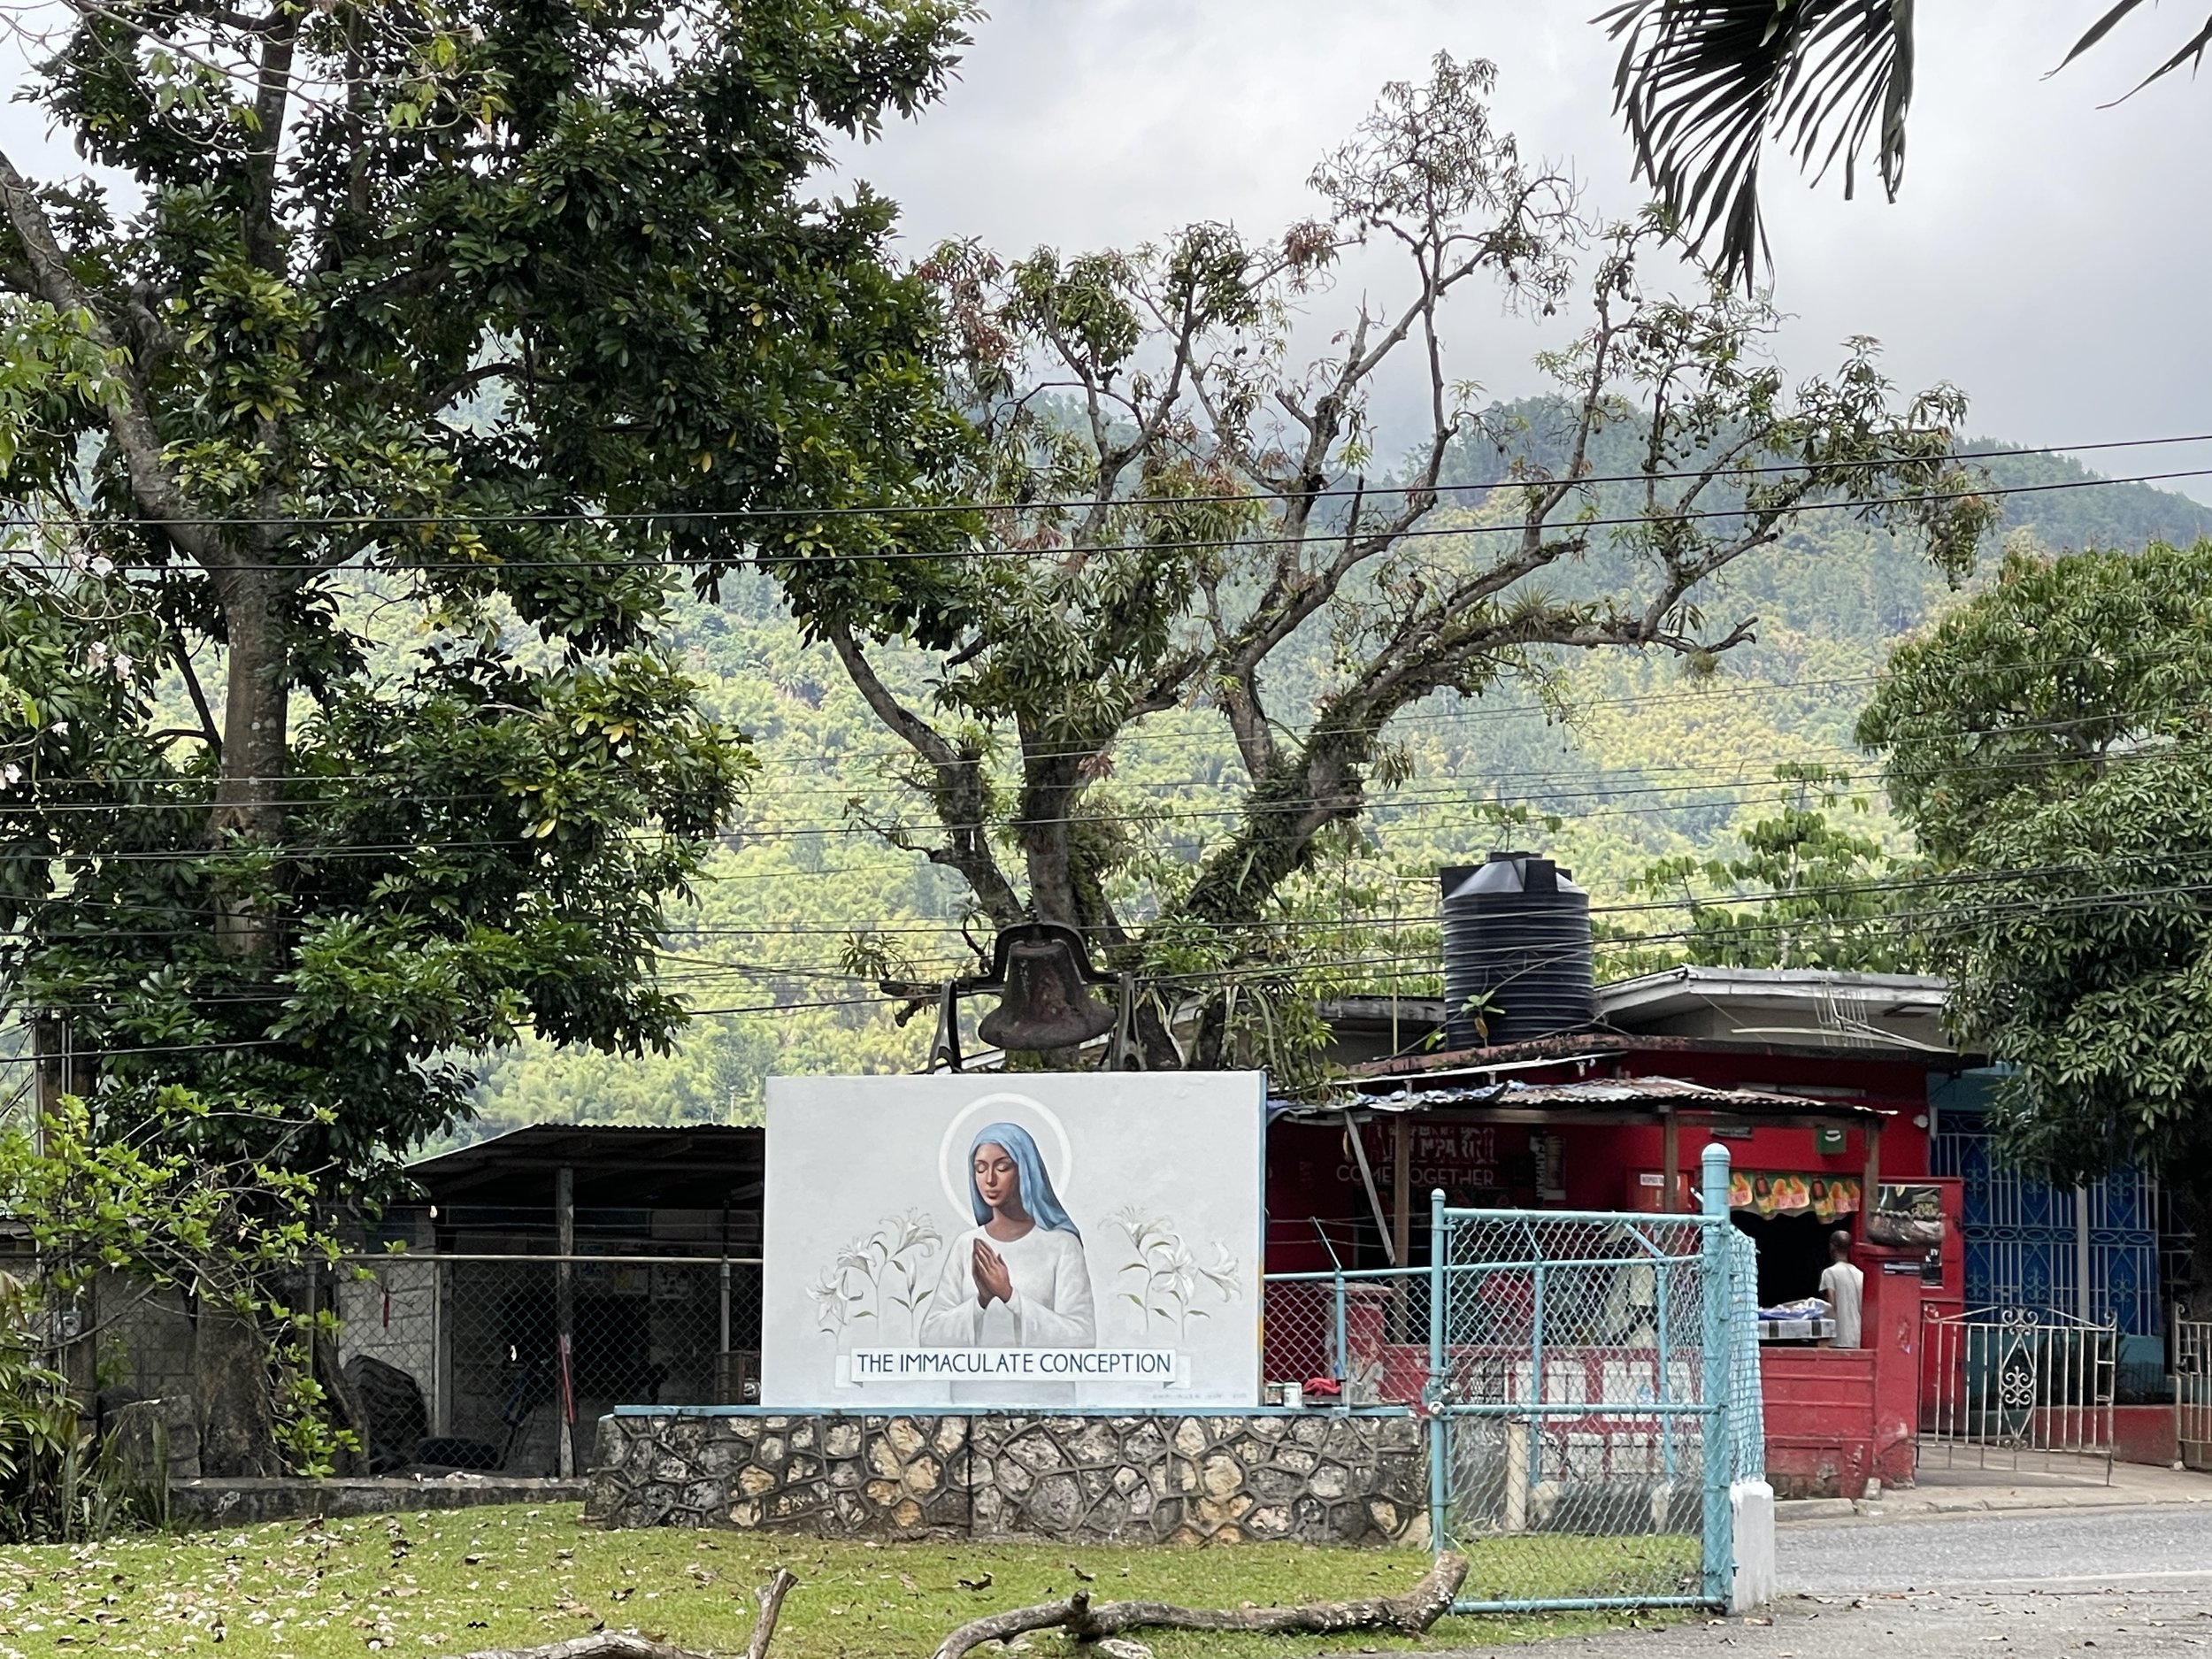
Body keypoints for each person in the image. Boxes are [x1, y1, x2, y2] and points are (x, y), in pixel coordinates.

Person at [919, 1122, 1096, 1348]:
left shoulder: (1062, 1246)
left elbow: (1082, 1337)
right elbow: (930, 1336)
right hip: (975, 1382)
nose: (990, 1179)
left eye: (1002, 1167)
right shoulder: (966, 1246)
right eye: (980, 1168)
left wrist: (1009, 1295)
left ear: (1025, 1170)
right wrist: (982, 1300)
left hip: (1040, 1384)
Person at [1819, 1229, 1864, 1349]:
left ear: (1832, 1246)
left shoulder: (1829, 1273)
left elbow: (1831, 1305)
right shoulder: (1860, 1274)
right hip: (1857, 1337)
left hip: (1838, 1339)